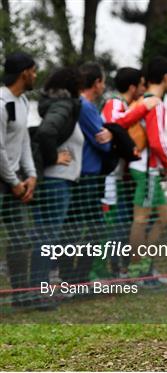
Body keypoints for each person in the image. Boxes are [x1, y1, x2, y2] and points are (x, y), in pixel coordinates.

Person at [101, 67, 160, 278]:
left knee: (124, 222)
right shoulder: (114, 103)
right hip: (109, 178)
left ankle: (121, 268)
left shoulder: (125, 105)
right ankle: (111, 269)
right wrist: (143, 107)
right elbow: (114, 124)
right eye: (142, 85)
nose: (144, 90)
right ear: (133, 86)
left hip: (121, 176)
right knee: (115, 225)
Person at [58, 62, 112, 285]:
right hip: (87, 176)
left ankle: (72, 276)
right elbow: (103, 144)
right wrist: (109, 136)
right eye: (103, 81)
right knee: (86, 227)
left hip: (83, 174)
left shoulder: (78, 103)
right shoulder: (86, 106)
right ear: (97, 83)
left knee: (76, 226)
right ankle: (74, 277)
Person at [30, 67, 83, 292]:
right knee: (48, 237)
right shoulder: (63, 105)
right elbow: (46, 132)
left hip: (56, 180)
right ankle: (40, 289)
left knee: (45, 236)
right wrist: (53, 157)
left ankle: (36, 288)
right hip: (56, 180)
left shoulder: (59, 105)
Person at [127, 57, 167, 280]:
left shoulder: (145, 100)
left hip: (146, 168)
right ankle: (137, 271)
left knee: (164, 217)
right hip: (147, 168)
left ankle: (145, 265)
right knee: (141, 218)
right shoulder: (155, 103)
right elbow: (157, 141)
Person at [0, 51, 37, 307]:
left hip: (13, 182)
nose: (36, 75)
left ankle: (21, 294)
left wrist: (31, 174)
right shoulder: (2, 103)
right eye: (34, 71)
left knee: (20, 238)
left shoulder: (23, 101)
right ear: (24, 72)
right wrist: (13, 181)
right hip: (7, 181)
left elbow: (23, 140)